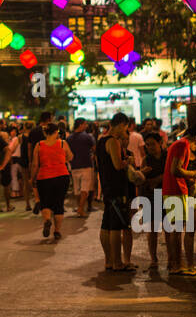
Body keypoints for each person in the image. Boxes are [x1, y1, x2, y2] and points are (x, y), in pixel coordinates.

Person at [162, 120, 196, 276]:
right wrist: (194, 174)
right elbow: (175, 170)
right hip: (175, 190)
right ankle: (177, 265)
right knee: (177, 232)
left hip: (174, 189)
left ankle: (174, 264)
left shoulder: (180, 144)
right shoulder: (183, 145)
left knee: (175, 231)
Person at [95, 113, 136, 271]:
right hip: (117, 188)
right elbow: (118, 165)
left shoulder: (101, 141)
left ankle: (109, 261)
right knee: (116, 227)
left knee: (106, 226)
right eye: (125, 127)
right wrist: (128, 161)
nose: (125, 131)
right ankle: (117, 262)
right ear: (120, 125)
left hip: (106, 186)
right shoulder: (113, 141)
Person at [29, 122, 72, 241]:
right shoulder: (63, 143)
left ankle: (47, 220)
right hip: (62, 176)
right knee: (59, 204)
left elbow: (35, 164)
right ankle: (57, 231)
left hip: (44, 177)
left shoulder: (39, 145)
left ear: (45, 132)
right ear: (56, 132)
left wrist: (32, 178)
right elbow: (71, 157)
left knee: (45, 202)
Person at [137, 131, 167, 267]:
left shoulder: (168, 156)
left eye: (152, 144)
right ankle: (153, 259)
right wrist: (142, 174)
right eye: (147, 145)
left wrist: (158, 178)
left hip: (167, 195)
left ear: (160, 143)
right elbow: (141, 181)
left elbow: (173, 172)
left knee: (169, 229)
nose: (150, 147)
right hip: (150, 197)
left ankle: (172, 257)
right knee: (152, 230)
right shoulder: (146, 160)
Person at [67, 118, 96, 218]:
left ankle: (80, 207)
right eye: (85, 124)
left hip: (74, 165)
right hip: (86, 164)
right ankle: (80, 208)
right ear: (80, 125)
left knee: (77, 189)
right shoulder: (88, 137)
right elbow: (94, 149)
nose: (86, 126)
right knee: (85, 189)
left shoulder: (69, 138)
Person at [4, 125, 24, 212]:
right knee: (17, 176)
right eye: (12, 131)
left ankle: (16, 192)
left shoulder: (15, 139)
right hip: (15, 158)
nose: (13, 132)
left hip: (15, 159)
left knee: (15, 176)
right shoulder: (12, 139)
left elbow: (11, 149)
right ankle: (17, 191)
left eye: (14, 131)